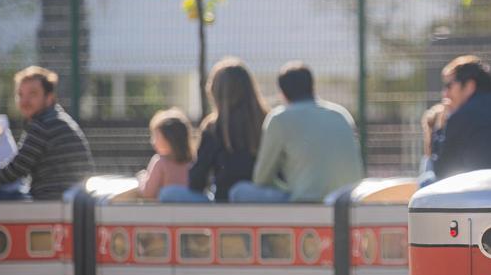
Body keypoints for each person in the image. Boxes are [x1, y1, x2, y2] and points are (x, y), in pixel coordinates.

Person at [230, 62, 363, 203]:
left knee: (238, 191)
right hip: (348, 201)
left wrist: (289, 188)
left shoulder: (279, 118)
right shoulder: (341, 114)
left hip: (306, 203)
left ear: (282, 92)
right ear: (312, 87)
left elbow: (261, 179)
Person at [0, 66, 93, 201]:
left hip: (52, 199)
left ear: (49, 98)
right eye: (20, 94)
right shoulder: (56, 119)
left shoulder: (43, 125)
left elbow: (16, 169)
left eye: (33, 94)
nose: (24, 101)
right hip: (68, 197)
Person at [160, 58, 266, 203]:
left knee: (168, 193)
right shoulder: (266, 122)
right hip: (261, 200)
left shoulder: (213, 128)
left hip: (223, 202)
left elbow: (197, 182)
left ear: (214, 91)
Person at [136, 108, 193, 200]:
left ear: (170, 139)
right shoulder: (192, 162)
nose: (153, 141)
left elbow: (148, 193)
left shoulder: (160, 162)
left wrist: (142, 179)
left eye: (156, 136)